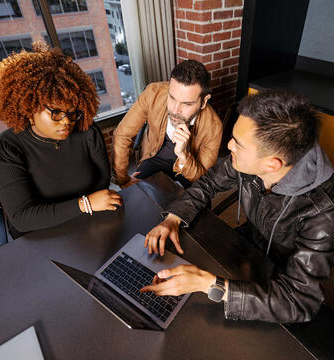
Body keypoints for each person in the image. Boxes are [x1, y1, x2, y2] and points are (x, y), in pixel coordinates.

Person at [141, 89, 334, 323]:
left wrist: (209, 284)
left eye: (238, 144)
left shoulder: (323, 210)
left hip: (281, 278)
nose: (229, 146)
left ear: (273, 165)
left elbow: (299, 301)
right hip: (244, 250)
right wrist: (173, 217)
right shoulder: (251, 159)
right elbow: (210, 182)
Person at [0, 41, 122, 236]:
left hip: (87, 222)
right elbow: (23, 218)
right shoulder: (6, 149)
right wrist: (85, 204)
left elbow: (102, 181)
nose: (67, 122)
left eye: (72, 112)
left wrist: (88, 208)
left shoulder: (86, 132)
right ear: (29, 108)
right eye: (56, 112)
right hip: (39, 234)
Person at [112, 60, 223, 189]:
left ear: (204, 101)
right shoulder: (153, 93)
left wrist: (183, 155)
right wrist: (123, 179)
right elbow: (122, 134)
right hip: (154, 156)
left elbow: (201, 175)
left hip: (189, 165)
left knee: (197, 203)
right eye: (172, 98)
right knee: (137, 196)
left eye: (186, 104)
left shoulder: (213, 126)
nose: (175, 110)